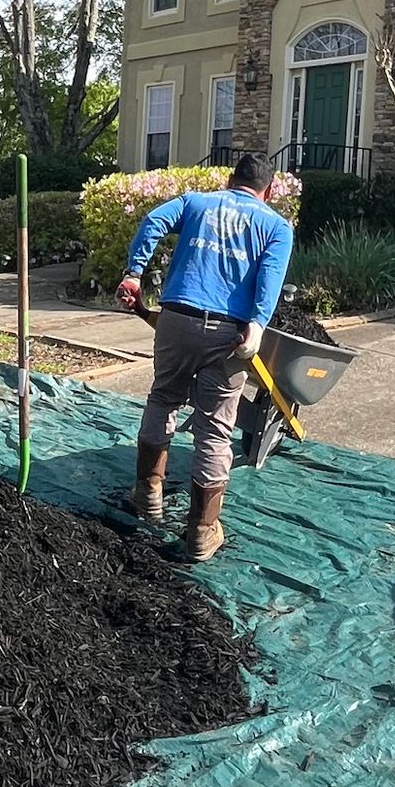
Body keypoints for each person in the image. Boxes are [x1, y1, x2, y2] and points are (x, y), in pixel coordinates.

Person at [114, 153, 292, 563]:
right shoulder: (275, 226)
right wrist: (258, 324)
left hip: (177, 317)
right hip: (229, 334)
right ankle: (201, 531)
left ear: (230, 180)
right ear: (269, 190)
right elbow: (269, 278)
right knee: (215, 429)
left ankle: (148, 494)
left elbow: (152, 221)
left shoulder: (196, 202)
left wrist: (134, 273)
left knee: (163, 399)